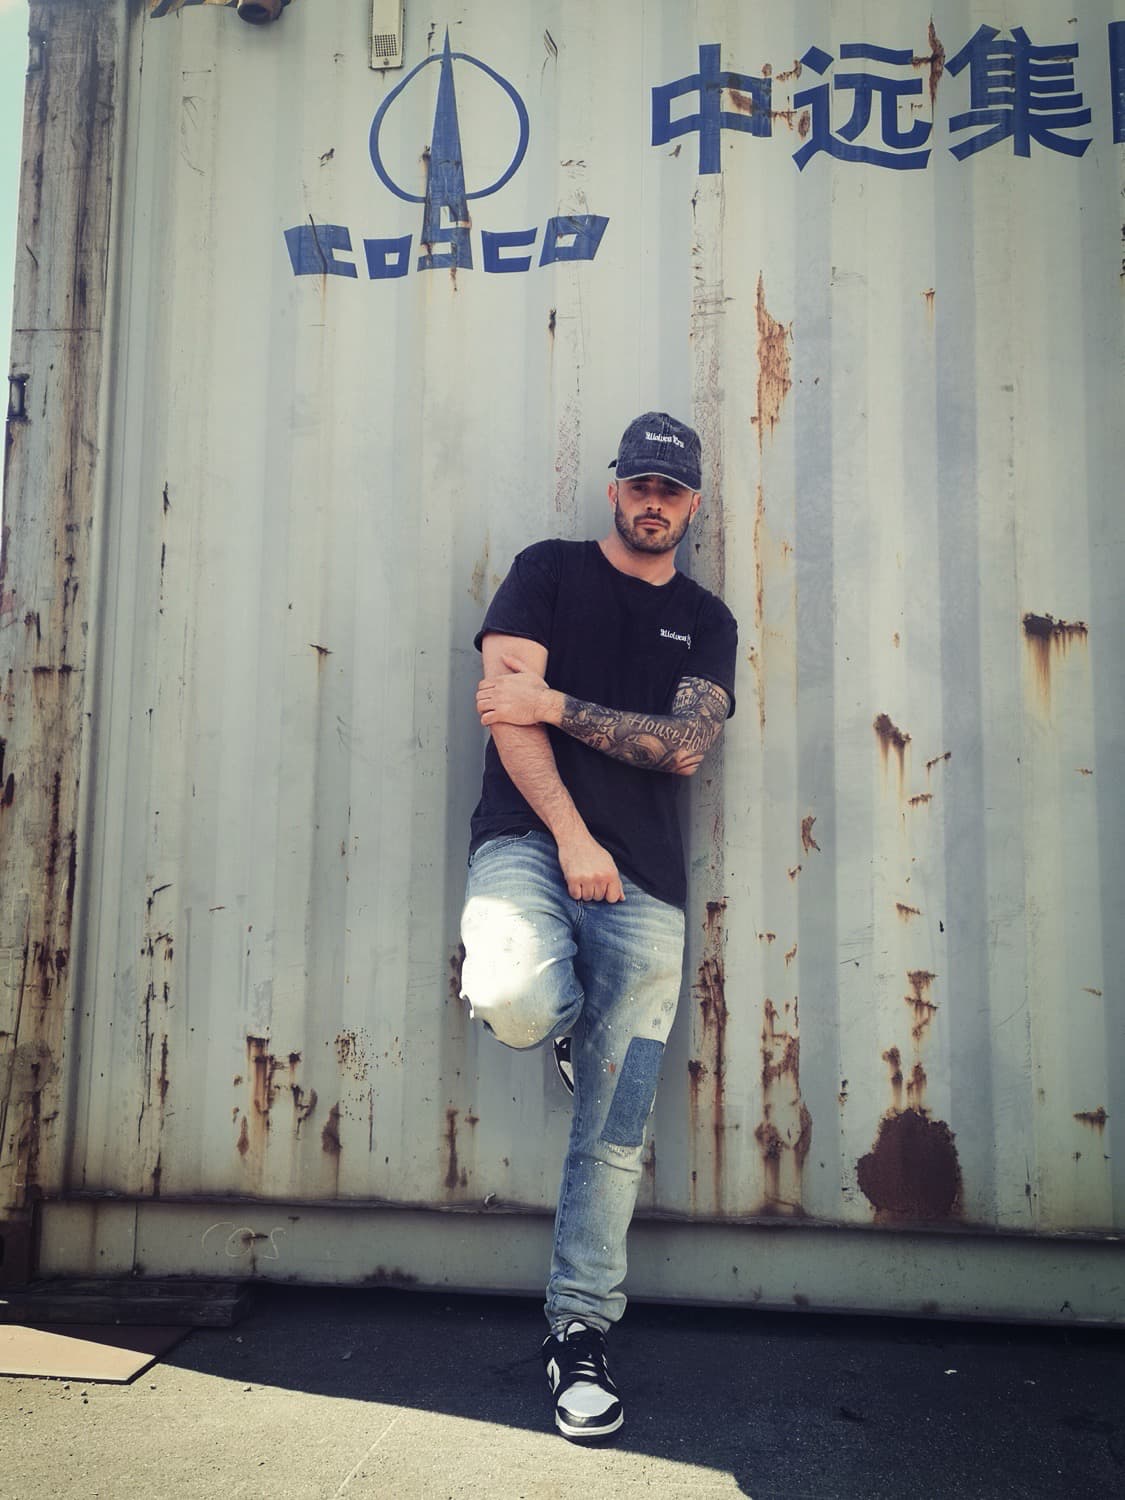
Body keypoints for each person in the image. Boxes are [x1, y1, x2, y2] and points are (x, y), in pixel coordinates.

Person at [459, 412, 738, 1442]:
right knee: (514, 996)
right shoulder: (547, 572)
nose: (654, 503)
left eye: (673, 490)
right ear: (614, 489)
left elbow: (679, 748)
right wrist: (576, 835)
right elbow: (502, 706)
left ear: (693, 504)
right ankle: (566, 1028)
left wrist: (557, 702)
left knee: (615, 1134)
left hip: (651, 888)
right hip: (531, 846)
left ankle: (579, 1330)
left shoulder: (707, 623)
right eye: (640, 486)